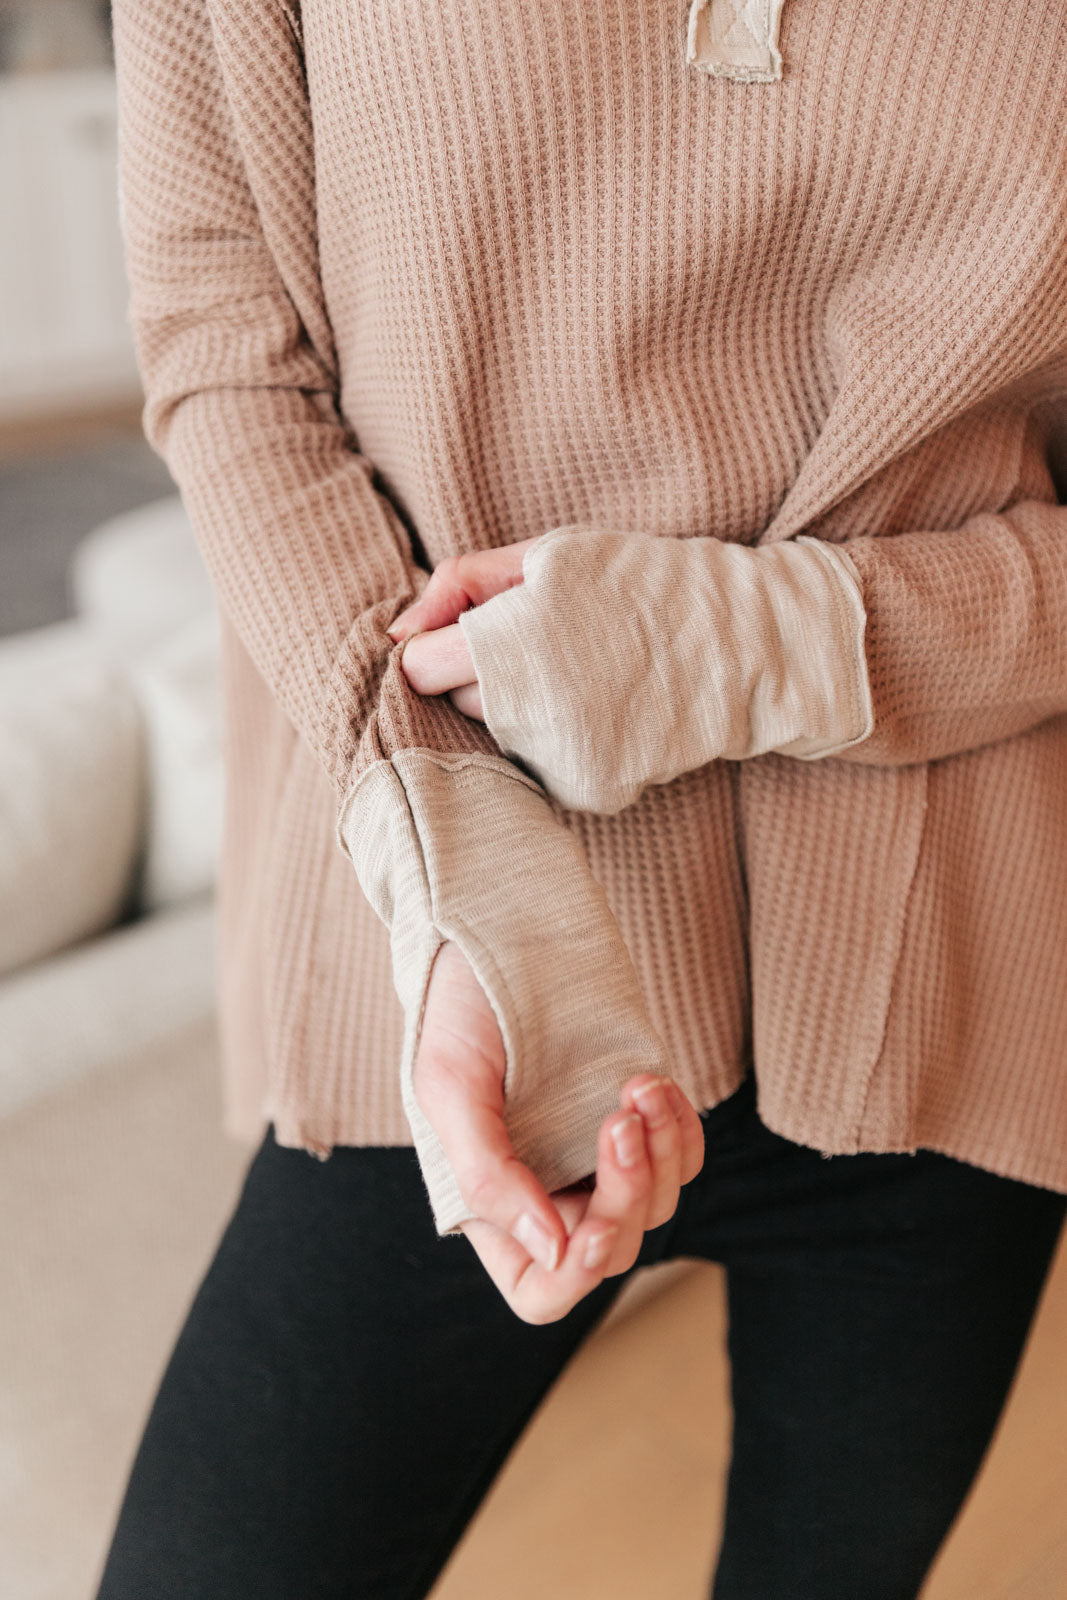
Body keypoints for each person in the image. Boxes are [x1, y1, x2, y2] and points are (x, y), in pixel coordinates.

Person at [98, 1, 1067, 1595]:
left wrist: (747, 645)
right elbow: (226, 353)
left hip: (951, 973)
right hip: (462, 975)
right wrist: (462, 863)